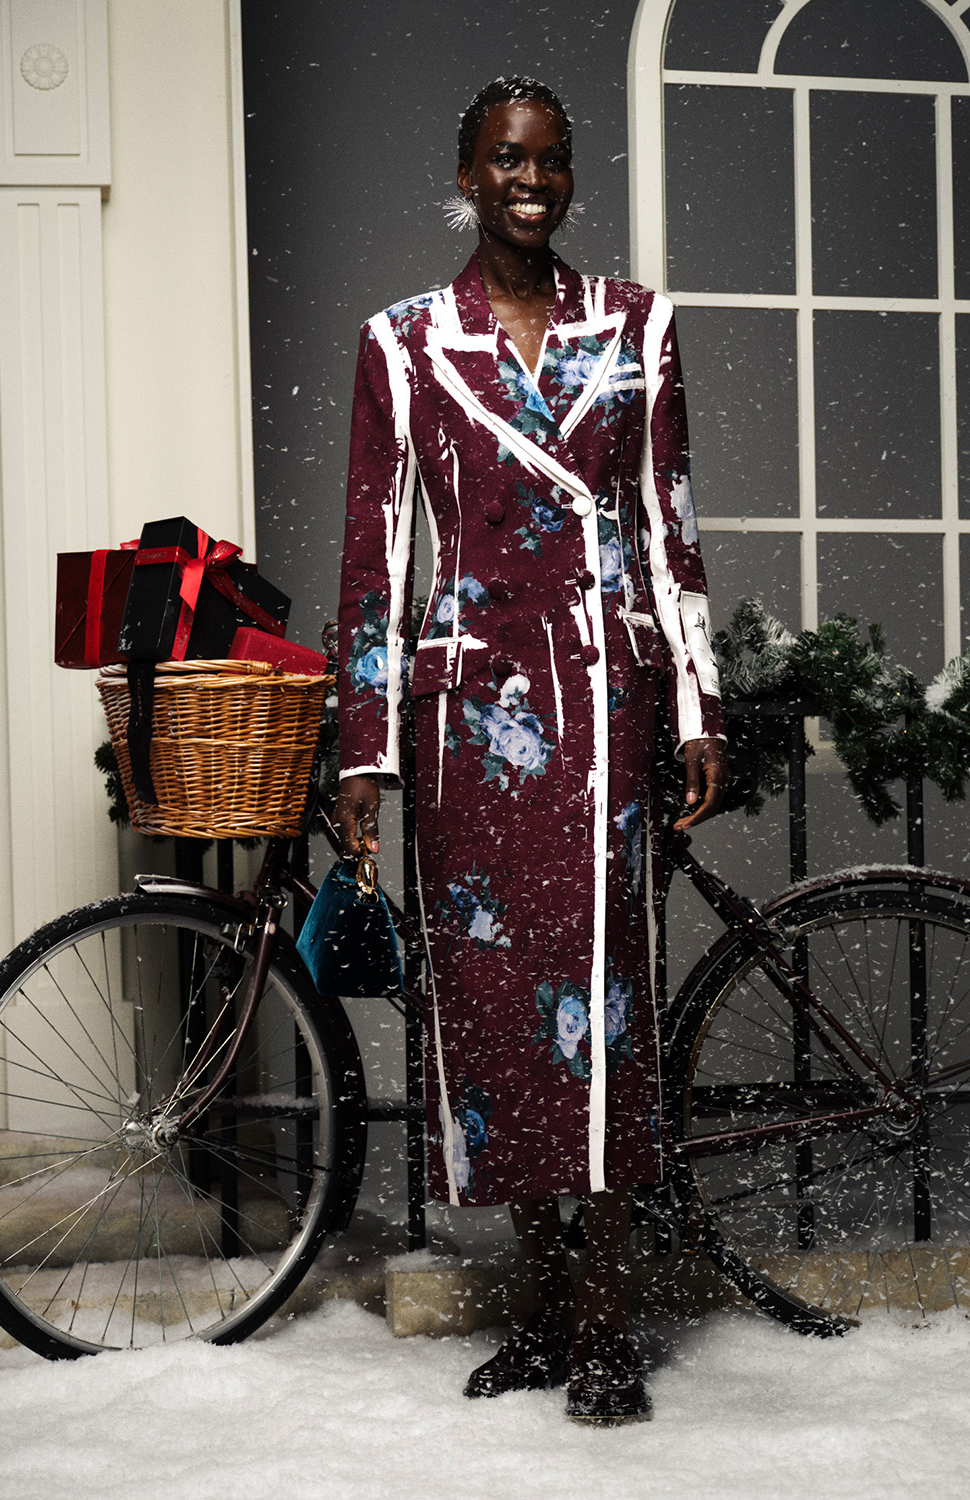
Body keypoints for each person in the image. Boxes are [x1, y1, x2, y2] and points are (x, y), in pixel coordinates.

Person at [333, 75, 727, 1426]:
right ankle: (549, 1311)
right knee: (497, 1024)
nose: (532, 180)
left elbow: (667, 530)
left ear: (572, 177)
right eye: (507, 158)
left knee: (602, 1008)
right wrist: (361, 754)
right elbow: (375, 559)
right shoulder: (402, 345)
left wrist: (695, 704)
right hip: (467, 721)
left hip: (600, 709)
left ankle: (612, 1318)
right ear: (465, 170)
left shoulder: (638, 327)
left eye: (552, 161)